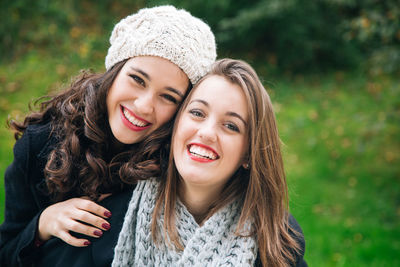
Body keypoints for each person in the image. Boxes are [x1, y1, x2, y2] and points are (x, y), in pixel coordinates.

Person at [0, 5, 216, 266]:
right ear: (114, 72)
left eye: (168, 97)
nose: (144, 106)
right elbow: (7, 251)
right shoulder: (41, 142)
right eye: (137, 79)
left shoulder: (181, 164)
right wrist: (42, 224)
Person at [112, 59, 307, 267]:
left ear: (249, 154)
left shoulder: (276, 242)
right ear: (176, 123)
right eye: (197, 113)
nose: (207, 133)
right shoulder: (108, 214)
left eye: (231, 126)